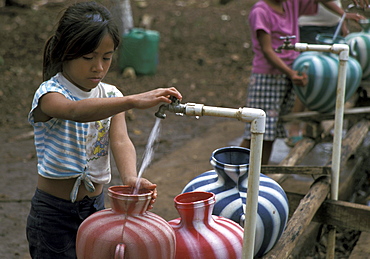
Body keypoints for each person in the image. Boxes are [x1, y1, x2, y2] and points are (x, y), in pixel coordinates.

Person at [26, 2, 182, 258]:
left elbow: (120, 141)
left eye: (107, 57)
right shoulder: (50, 94)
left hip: (97, 209)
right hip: (53, 214)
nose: (98, 66)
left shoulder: (111, 95)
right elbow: (76, 111)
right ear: (66, 51)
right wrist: (133, 100)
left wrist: (130, 178)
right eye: (88, 57)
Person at [240, 0, 362, 165]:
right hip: (267, 77)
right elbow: (267, 50)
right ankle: (234, 171)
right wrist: (290, 73)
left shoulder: (290, 4)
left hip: (287, 73)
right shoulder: (260, 11)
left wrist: (342, 13)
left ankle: (257, 176)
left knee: (269, 135)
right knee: (256, 133)